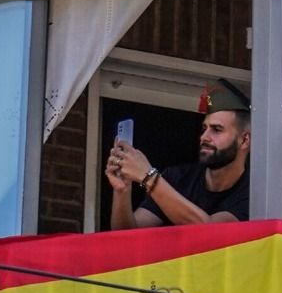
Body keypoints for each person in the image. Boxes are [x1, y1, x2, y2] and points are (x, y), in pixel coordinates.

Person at [105, 79, 251, 228]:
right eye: (204, 128)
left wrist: (149, 177)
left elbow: (210, 231)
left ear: (245, 140)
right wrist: (122, 190)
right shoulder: (177, 178)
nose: (204, 137)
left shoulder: (253, 194)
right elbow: (127, 236)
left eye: (217, 129)